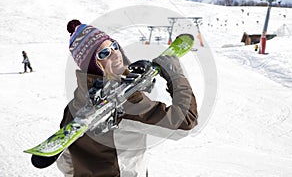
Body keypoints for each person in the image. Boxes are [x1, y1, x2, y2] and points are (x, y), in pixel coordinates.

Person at [56, 19, 198, 177]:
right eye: (104, 53)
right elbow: (185, 122)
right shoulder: (127, 104)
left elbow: (66, 162)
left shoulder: (74, 106)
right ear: (91, 64)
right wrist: (176, 76)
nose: (116, 54)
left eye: (114, 46)